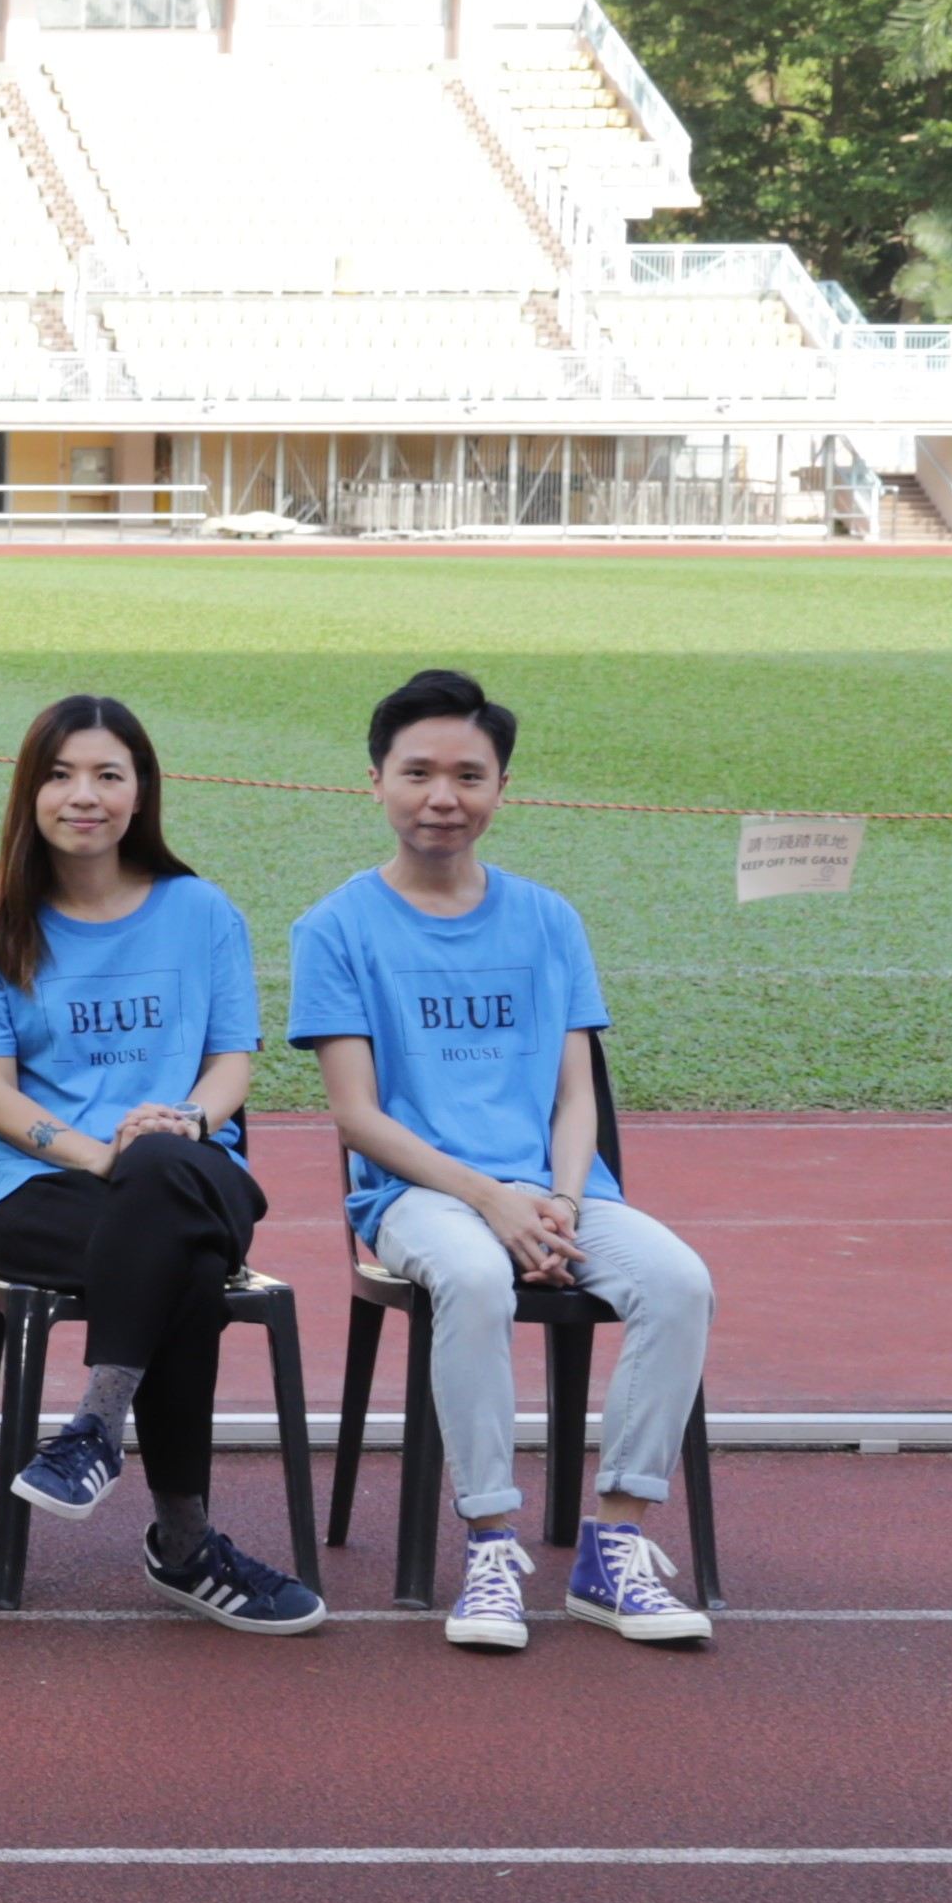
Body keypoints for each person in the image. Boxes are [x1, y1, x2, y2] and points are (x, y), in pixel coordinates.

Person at [291, 667, 717, 1652]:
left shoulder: (548, 918)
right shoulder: (335, 928)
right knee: (477, 1278)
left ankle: (615, 1545)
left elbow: (577, 1096)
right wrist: (495, 1201)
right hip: (419, 1195)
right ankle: (490, 1546)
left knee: (679, 1282)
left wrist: (558, 1200)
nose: (443, 797)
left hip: (558, 1193)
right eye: (418, 774)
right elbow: (358, 1117)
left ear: (501, 788)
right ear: (376, 781)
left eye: (468, 776)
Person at [0, 695, 321, 1635]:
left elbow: (230, 1064)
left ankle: (95, 1428)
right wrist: (103, 1156)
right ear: (30, 793)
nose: (85, 795)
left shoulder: (201, 911)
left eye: (107, 775)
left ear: (140, 791)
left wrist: (182, 1123)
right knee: (181, 1252)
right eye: (61, 775)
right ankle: (185, 1543)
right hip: (44, 1191)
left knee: (164, 1180)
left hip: (194, 1164)